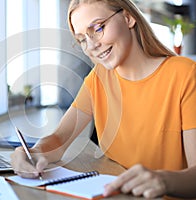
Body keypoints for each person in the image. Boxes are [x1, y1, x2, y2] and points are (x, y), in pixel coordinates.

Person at [10, 0, 196, 198]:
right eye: (82, 39)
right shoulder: (99, 79)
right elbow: (59, 139)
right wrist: (33, 153)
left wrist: (162, 180)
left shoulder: (184, 75)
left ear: (128, 17)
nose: (92, 45)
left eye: (98, 28)